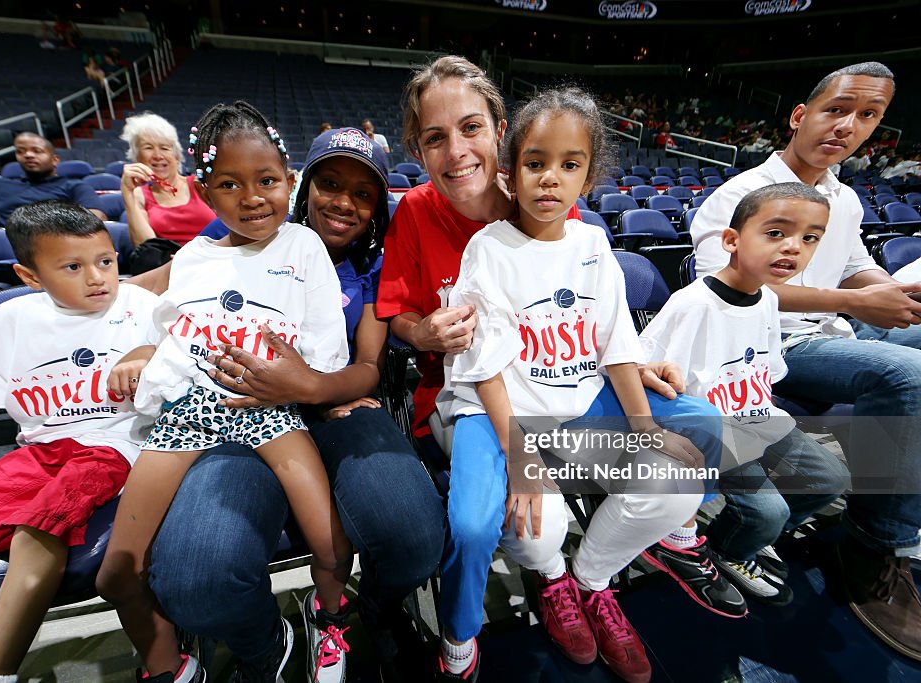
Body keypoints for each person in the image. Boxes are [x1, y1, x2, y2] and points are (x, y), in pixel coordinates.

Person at [376, 57, 716, 683]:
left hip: (571, 394)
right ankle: (506, 604)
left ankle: (599, 573)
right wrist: (422, 331)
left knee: (696, 444)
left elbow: (605, 334)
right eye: (433, 137)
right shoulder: (453, 233)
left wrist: (635, 384)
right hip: (489, 403)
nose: (456, 151)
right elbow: (443, 342)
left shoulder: (578, 231)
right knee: (491, 522)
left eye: (471, 127)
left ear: (500, 135)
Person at [131, 125, 445, 683]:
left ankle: (358, 613)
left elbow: (367, 369)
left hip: (336, 406)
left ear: (377, 208)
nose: (344, 202)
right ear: (305, 186)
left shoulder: (375, 266)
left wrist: (312, 391)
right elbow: (160, 292)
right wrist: (134, 339)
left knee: (415, 537)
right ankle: (264, 645)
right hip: (240, 413)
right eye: (330, 183)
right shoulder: (248, 227)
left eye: (363, 193)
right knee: (193, 580)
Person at [95, 102, 356, 683]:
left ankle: (330, 621)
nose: (252, 196)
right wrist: (140, 353)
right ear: (206, 193)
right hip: (188, 413)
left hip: (268, 408)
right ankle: (167, 661)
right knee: (115, 572)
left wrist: (307, 384)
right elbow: (160, 326)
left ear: (289, 182)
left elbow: (325, 345)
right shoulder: (193, 257)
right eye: (230, 184)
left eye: (266, 181)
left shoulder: (304, 247)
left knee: (332, 547)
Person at [691, 61, 921, 661]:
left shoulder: (843, 199)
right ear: (801, 115)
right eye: (837, 109)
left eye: (868, 116)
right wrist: (858, 301)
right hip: (776, 345)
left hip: (833, 330)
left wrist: (897, 296)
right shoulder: (738, 196)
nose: (849, 125)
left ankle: (897, 494)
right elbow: (727, 290)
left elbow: (852, 266)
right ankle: (878, 542)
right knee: (909, 374)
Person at [0, 201, 160, 683]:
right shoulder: (9, 321)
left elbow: (180, 345)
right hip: (37, 453)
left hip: (113, 446)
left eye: (106, 261)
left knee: (39, 529)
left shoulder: (141, 306)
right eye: (73, 267)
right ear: (30, 276)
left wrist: (146, 351)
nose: (97, 277)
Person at [642, 183, 849, 608]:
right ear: (732, 240)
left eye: (810, 238)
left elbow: (769, 369)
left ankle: (746, 535)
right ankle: (728, 549)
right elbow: (652, 378)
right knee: (767, 511)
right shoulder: (693, 305)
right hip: (713, 434)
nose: (794, 247)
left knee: (831, 479)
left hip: (757, 416)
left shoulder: (768, 299)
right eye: (776, 233)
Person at [118, 112, 216, 271]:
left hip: (213, 262)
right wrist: (127, 194)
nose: (158, 155)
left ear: (176, 155)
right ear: (137, 157)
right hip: (168, 269)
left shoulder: (200, 184)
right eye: (148, 148)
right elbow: (146, 249)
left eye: (165, 148)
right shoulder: (139, 195)